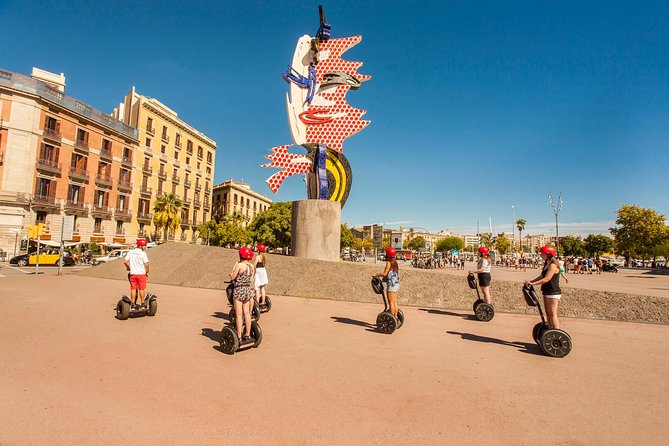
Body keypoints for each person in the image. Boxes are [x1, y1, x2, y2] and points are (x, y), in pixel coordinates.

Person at [525, 245, 562, 329]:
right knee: (548, 314)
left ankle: (556, 332)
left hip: (553, 292)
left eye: (542, 254)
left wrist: (534, 284)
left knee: (553, 314)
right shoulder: (547, 264)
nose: (541, 255)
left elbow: (547, 279)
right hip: (546, 291)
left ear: (548, 254)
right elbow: (541, 276)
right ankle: (550, 330)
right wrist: (531, 282)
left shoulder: (553, 265)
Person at [230, 247, 255, 342]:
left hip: (239, 289)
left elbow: (233, 277)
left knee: (239, 315)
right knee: (247, 313)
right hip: (247, 289)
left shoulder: (239, 265)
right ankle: (247, 335)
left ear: (241, 255)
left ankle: (239, 336)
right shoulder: (251, 266)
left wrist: (231, 274)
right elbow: (251, 279)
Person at [372, 247, 400, 318]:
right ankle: (395, 316)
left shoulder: (388, 262)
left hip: (391, 285)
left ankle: (391, 318)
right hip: (396, 284)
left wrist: (376, 274)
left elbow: (385, 274)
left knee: (391, 302)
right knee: (394, 301)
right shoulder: (395, 262)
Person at [123, 239, 150, 308]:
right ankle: (143, 303)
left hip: (133, 274)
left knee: (133, 289)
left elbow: (125, 261)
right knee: (141, 289)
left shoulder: (131, 252)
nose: (145, 247)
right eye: (144, 246)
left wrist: (129, 268)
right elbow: (146, 264)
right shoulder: (143, 254)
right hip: (141, 274)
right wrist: (147, 272)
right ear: (141, 246)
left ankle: (132, 304)